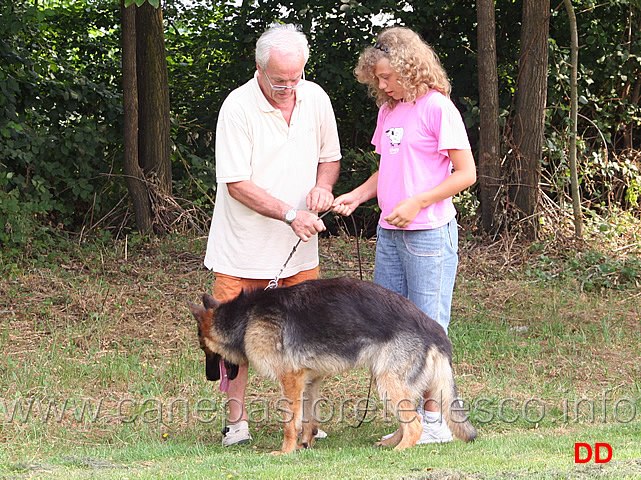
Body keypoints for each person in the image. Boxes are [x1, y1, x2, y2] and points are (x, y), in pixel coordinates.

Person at [332, 27, 476, 444]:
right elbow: (387, 169)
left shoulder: (437, 108)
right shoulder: (389, 111)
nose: (381, 85)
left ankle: (435, 424)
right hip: (389, 235)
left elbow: (466, 173)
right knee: (389, 329)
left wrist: (417, 202)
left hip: (428, 235)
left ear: (410, 69)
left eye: (387, 78)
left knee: (428, 328)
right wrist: (357, 196)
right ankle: (408, 424)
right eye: (376, 78)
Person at [204, 23, 341, 446]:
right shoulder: (237, 107)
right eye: (279, 80)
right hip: (241, 250)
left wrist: (323, 187)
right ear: (259, 68)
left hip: (300, 253)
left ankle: (307, 423)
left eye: (295, 78)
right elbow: (236, 184)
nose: (288, 88)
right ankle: (236, 425)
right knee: (233, 340)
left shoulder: (315, 97)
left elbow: (329, 158)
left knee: (307, 337)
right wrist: (288, 214)